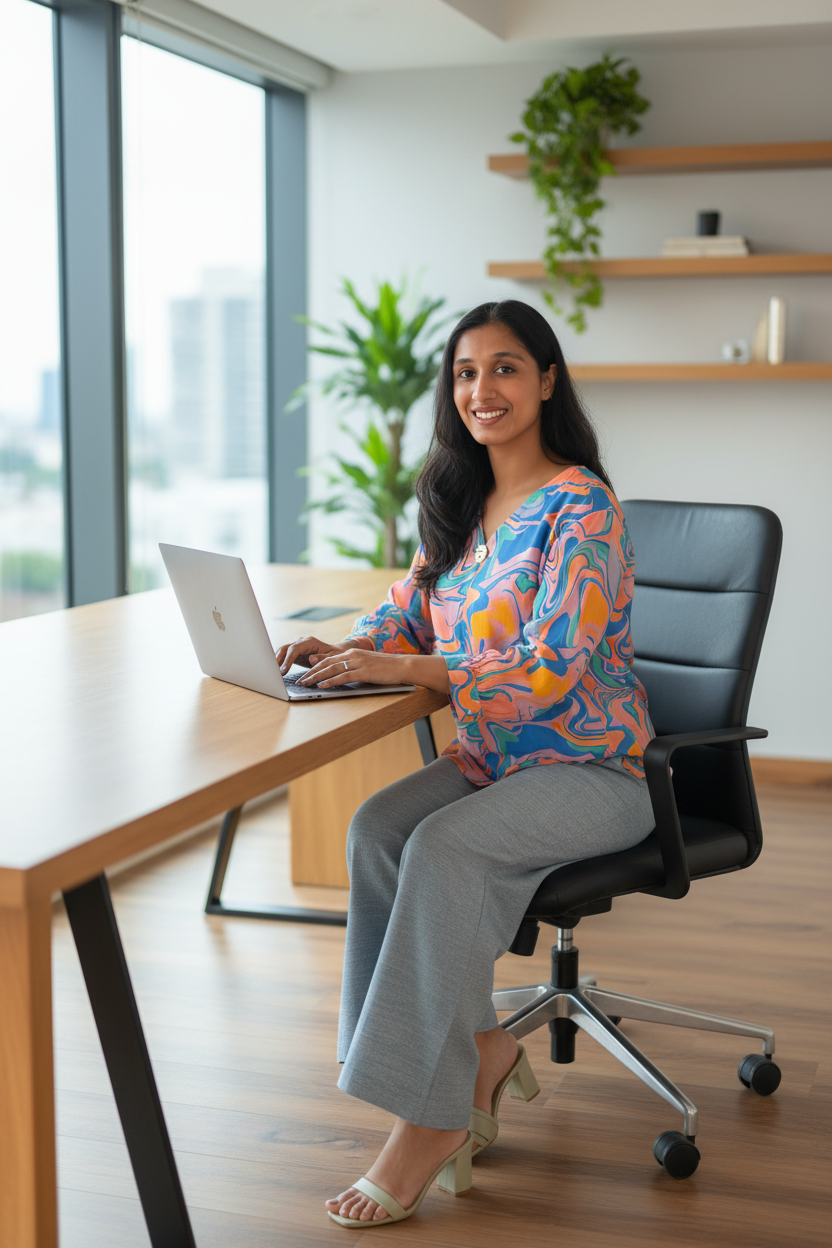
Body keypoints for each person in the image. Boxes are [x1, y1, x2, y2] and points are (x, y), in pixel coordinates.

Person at [276, 299, 655, 1229]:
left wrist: (408, 668)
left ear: (547, 380)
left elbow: (553, 669)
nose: (481, 389)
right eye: (465, 373)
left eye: (505, 368)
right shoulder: (459, 501)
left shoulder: (583, 509)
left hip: (593, 771)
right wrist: (342, 649)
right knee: (377, 831)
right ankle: (480, 1052)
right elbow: (405, 614)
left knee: (441, 849)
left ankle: (427, 1124)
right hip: (496, 765)